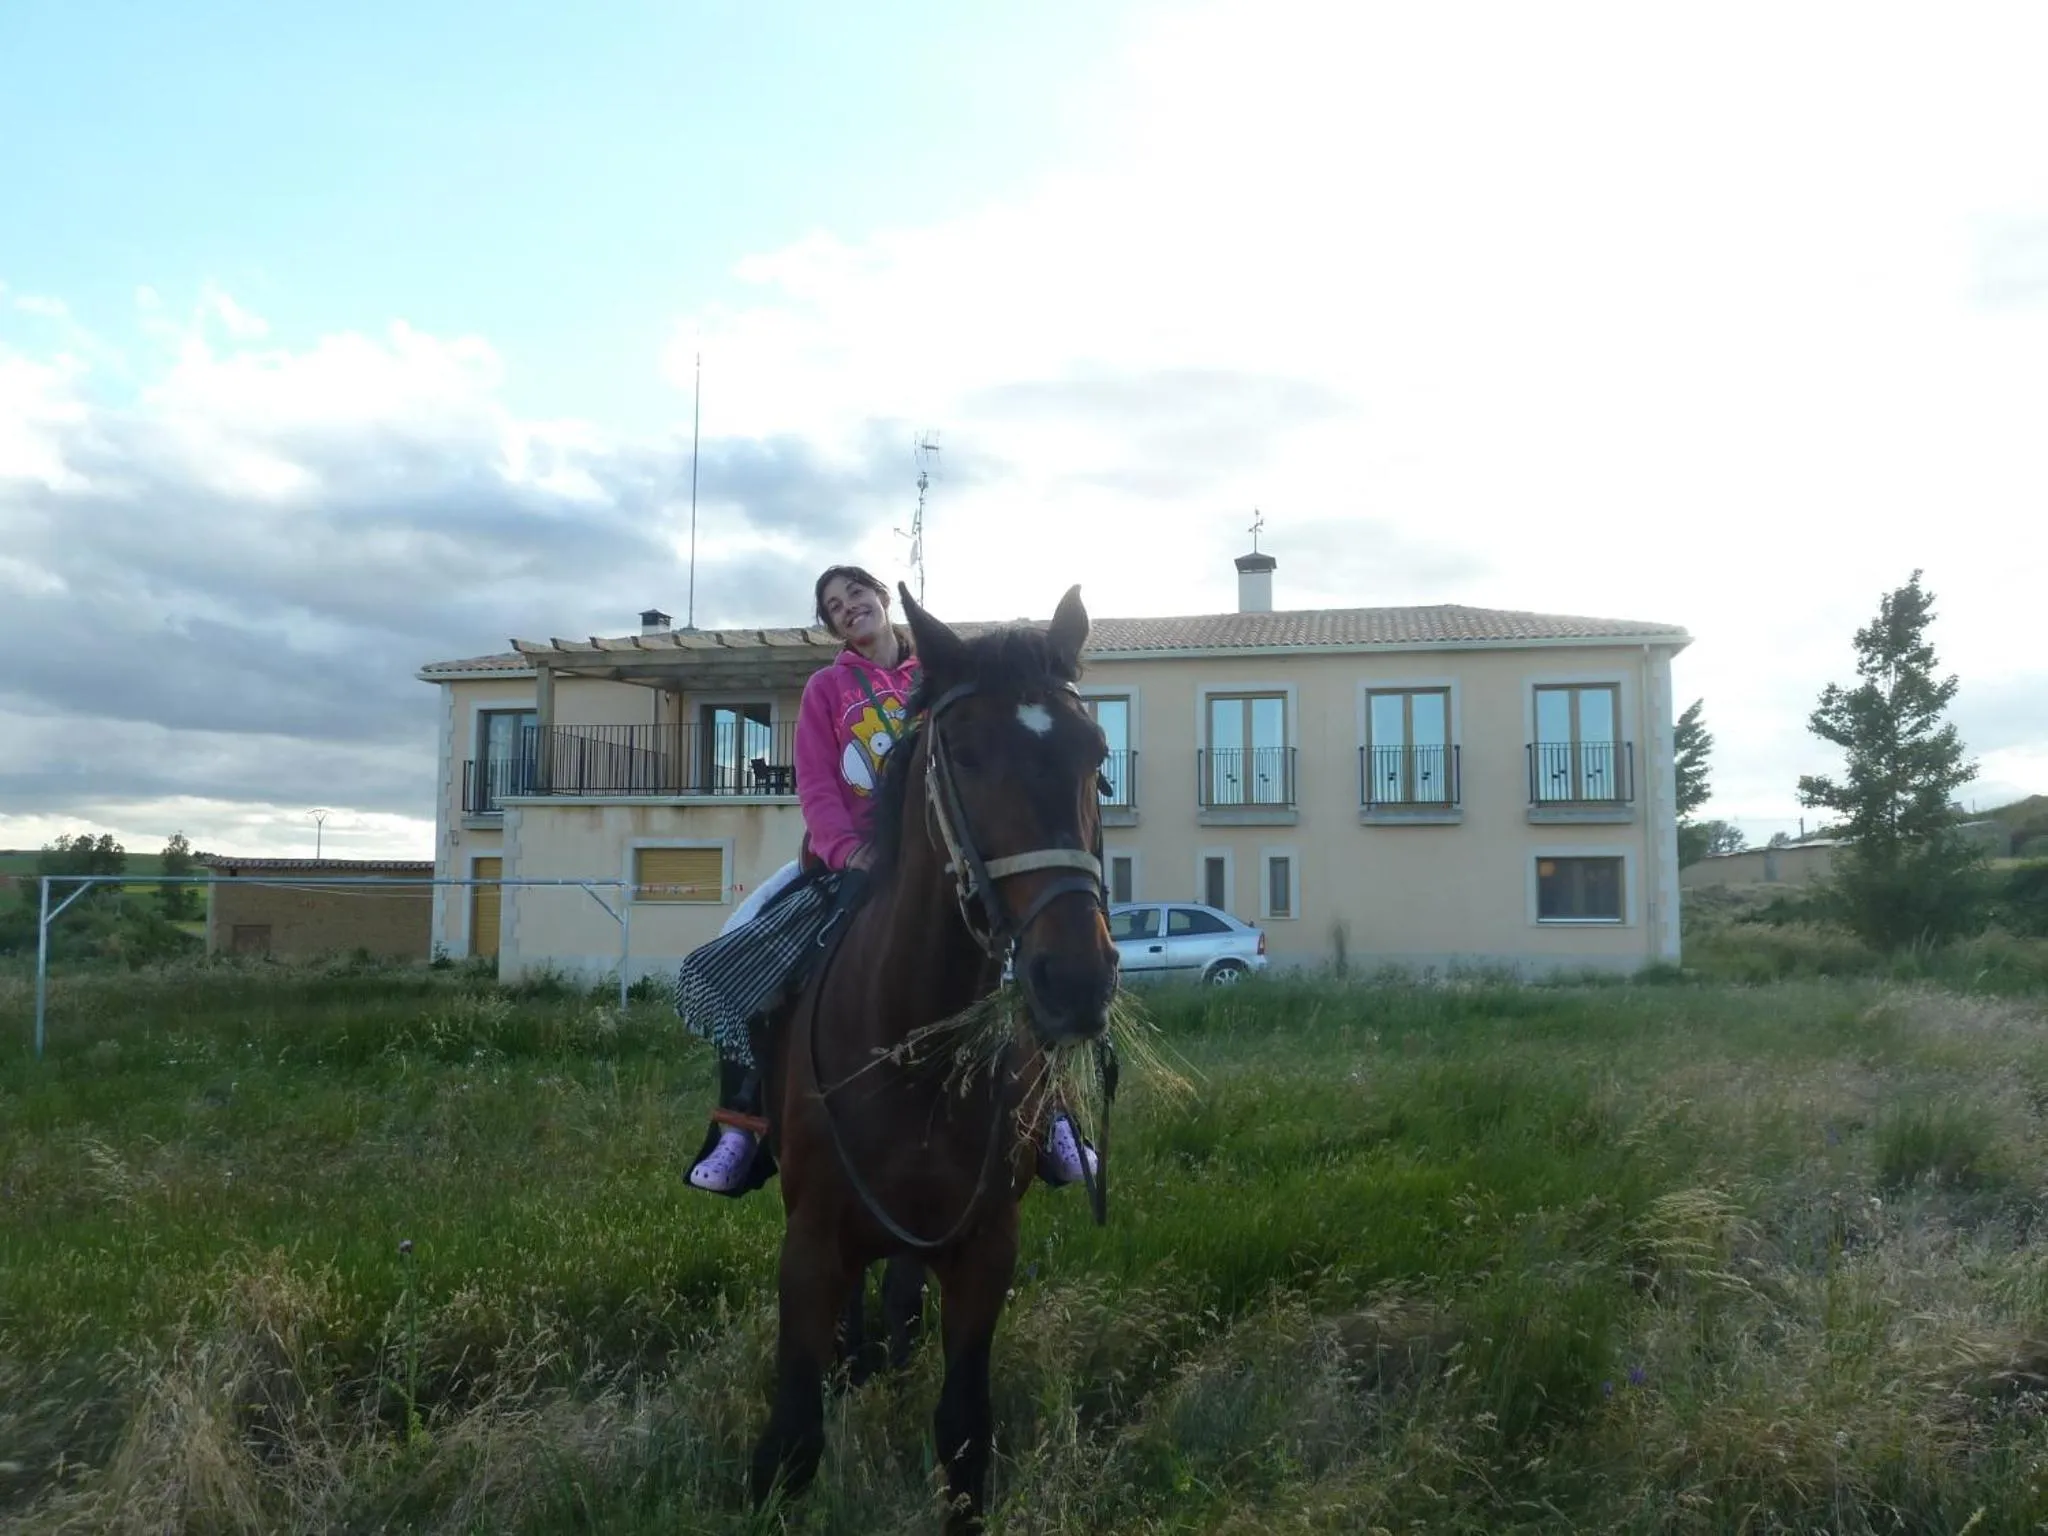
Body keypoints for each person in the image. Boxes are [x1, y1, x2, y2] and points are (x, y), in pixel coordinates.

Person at [676, 563, 1100, 1196]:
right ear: (833, 627)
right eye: (833, 606)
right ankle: (740, 1123)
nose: (848, 606)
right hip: (848, 861)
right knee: (743, 952)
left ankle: (1056, 1115)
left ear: (881, 597)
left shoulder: (944, 674)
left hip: (949, 863)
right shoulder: (826, 689)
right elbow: (817, 783)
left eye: (856, 593)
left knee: (1026, 959)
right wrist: (846, 850)